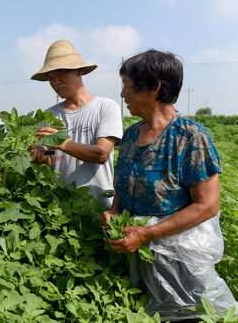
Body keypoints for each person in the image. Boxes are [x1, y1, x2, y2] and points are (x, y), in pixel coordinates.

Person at [100, 50, 237, 321]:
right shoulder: (129, 136)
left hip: (180, 262)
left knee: (189, 316)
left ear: (154, 88)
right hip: (134, 252)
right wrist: (115, 212)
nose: (122, 94)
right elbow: (123, 190)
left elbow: (207, 206)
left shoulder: (190, 137)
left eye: (127, 86)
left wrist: (147, 234)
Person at [30, 40, 123, 206]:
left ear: (79, 71)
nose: (55, 82)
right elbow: (52, 158)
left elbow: (101, 154)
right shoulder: (48, 115)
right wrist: (42, 156)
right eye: (50, 77)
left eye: (60, 74)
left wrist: (62, 143)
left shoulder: (105, 107)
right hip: (59, 211)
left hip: (98, 208)